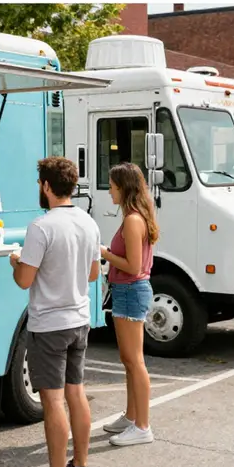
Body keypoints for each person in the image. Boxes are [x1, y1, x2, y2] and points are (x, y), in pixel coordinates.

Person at [10, 157, 101, 467]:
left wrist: (16, 262)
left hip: (49, 325)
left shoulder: (41, 227)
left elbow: (24, 281)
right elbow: (93, 273)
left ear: (47, 186)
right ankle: (80, 466)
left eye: (39, 184)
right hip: (79, 320)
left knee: (52, 401)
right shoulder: (88, 222)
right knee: (75, 393)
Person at [99, 162, 158, 446]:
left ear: (123, 187)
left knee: (135, 361)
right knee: (128, 360)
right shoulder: (133, 216)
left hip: (131, 290)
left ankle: (142, 426)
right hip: (126, 291)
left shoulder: (134, 220)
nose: (109, 190)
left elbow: (133, 266)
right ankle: (132, 416)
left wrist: (104, 253)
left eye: (112, 185)